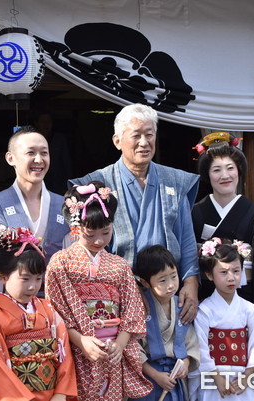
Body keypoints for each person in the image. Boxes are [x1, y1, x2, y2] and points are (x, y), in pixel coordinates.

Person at [70, 103, 200, 324]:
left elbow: (186, 238)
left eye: (149, 135)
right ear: (117, 141)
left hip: (167, 289)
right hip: (113, 293)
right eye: (136, 135)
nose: (144, 142)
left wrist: (191, 283)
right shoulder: (98, 184)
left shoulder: (174, 181)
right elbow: (87, 246)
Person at [45, 181, 152, 401]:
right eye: (90, 234)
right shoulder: (60, 263)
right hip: (77, 347)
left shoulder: (120, 265)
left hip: (113, 350)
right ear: (75, 228)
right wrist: (81, 341)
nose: (99, 240)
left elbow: (132, 311)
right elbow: (55, 312)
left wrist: (120, 345)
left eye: (106, 232)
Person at [0, 125, 70, 325]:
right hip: (4, 314)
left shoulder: (65, 208)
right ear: (11, 159)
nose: (38, 160)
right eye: (30, 153)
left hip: (55, 314)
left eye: (44, 153)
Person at [0, 227, 77, 401]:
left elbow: (64, 353)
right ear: (3, 276)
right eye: (25, 278)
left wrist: (60, 394)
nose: (33, 286)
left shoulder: (49, 310)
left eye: (38, 278)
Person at [192, 132, 254, 318]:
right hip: (206, 301)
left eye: (230, 168)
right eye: (216, 170)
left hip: (246, 301)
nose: (225, 175)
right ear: (207, 174)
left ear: (238, 170)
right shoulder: (196, 213)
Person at [192, 238, 254, 401]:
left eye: (236, 271)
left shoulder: (250, 309)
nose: (231, 277)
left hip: (243, 376)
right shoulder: (204, 310)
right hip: (214, 377)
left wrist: (248, 375)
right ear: (209, 275)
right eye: (223, 272)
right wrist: (216, 377)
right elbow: (200, 347)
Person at [134, 244, 201, 401]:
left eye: (174, 276)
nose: (171, 285)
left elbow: (191, 342)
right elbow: (133, 348)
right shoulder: (141, 308)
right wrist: (155, 375)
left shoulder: (181, 306)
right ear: (145, 283)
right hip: (148, 376)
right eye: (162, 280)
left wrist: (186, 362)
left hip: (174, 376)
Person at [33, 110, 73, 195]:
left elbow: (66, 161)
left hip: (59, 184)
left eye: (49, 121)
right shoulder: (31, 140)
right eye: (43, 122)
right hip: (38, 182)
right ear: (36, 123)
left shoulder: (59, 139)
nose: (46, 124)